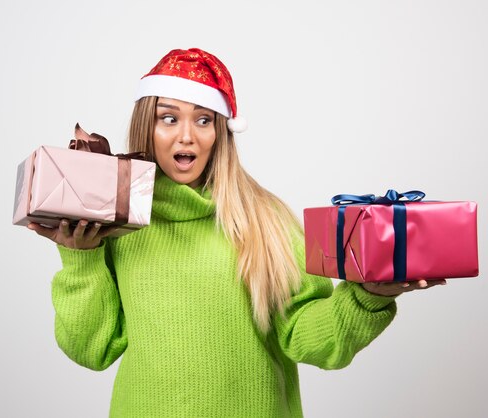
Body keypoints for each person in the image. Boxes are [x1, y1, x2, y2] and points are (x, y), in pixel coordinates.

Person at [28, 48, 445, 418]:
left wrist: (369, 296)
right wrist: (81, 259)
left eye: (203, 120)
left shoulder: (266, 219)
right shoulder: (115, 225)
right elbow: (92, 350)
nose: (186, 135)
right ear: (146, 129)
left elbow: (313, 340)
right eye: (168, 118)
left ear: (221, 133)